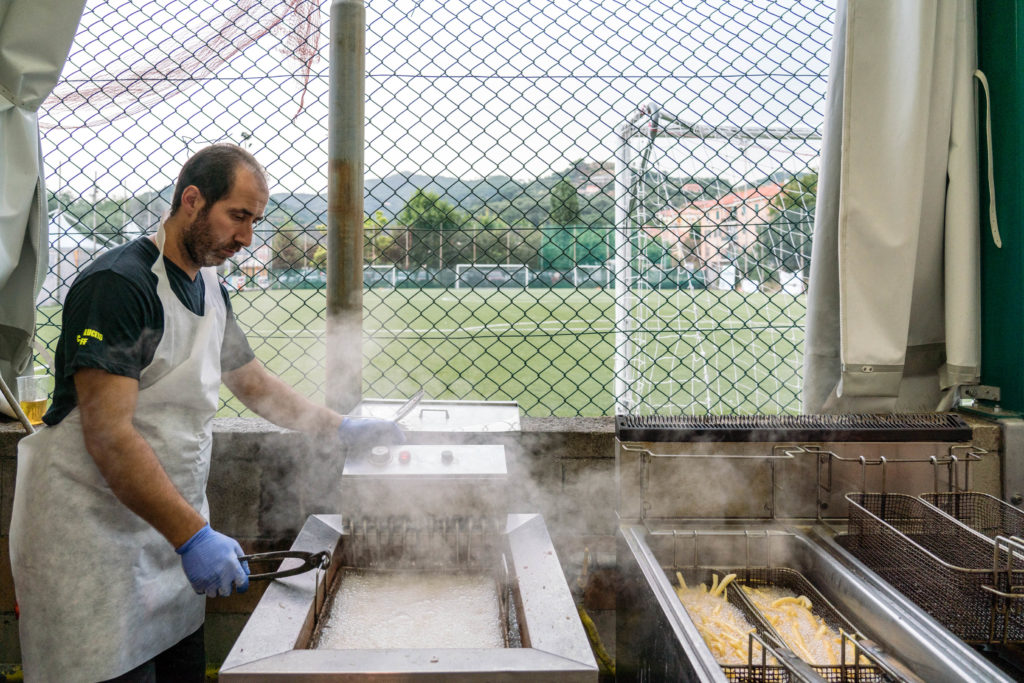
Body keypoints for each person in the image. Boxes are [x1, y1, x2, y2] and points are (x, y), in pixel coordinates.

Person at [8, 144, 403, 683]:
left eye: (254, 221)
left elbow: (253, 383)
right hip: (92, 541)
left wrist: (341, 428)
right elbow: (108, 435)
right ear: (192, 200)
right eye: (237, 216)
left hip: (168, 536)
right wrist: (194, 537)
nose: (246, 238)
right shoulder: (120, 286)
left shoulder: (209, 285)